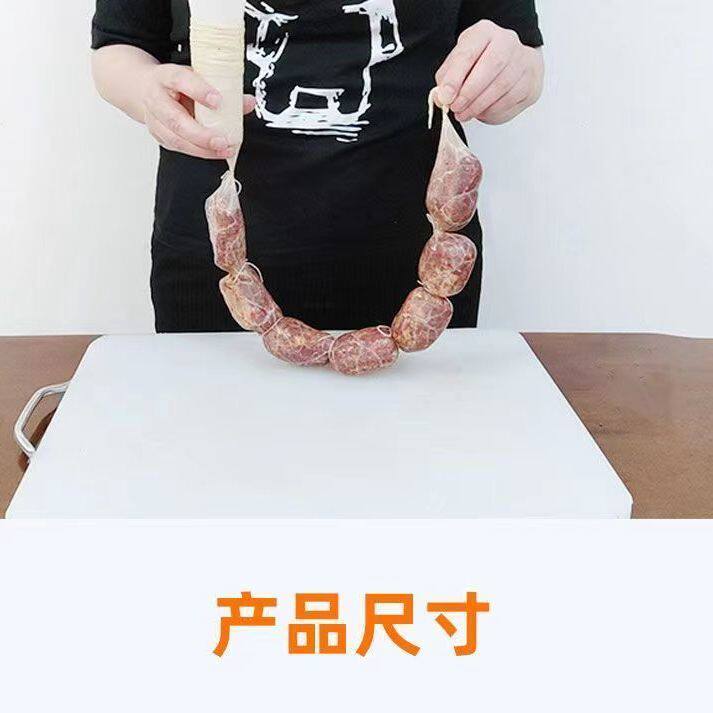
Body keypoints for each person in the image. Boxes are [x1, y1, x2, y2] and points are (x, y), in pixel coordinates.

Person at [92, 1, 543, 333]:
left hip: (421, 263)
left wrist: (511, 75)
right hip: (211, 259)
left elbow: (523, 55)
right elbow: (119, 46)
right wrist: (145, 89)